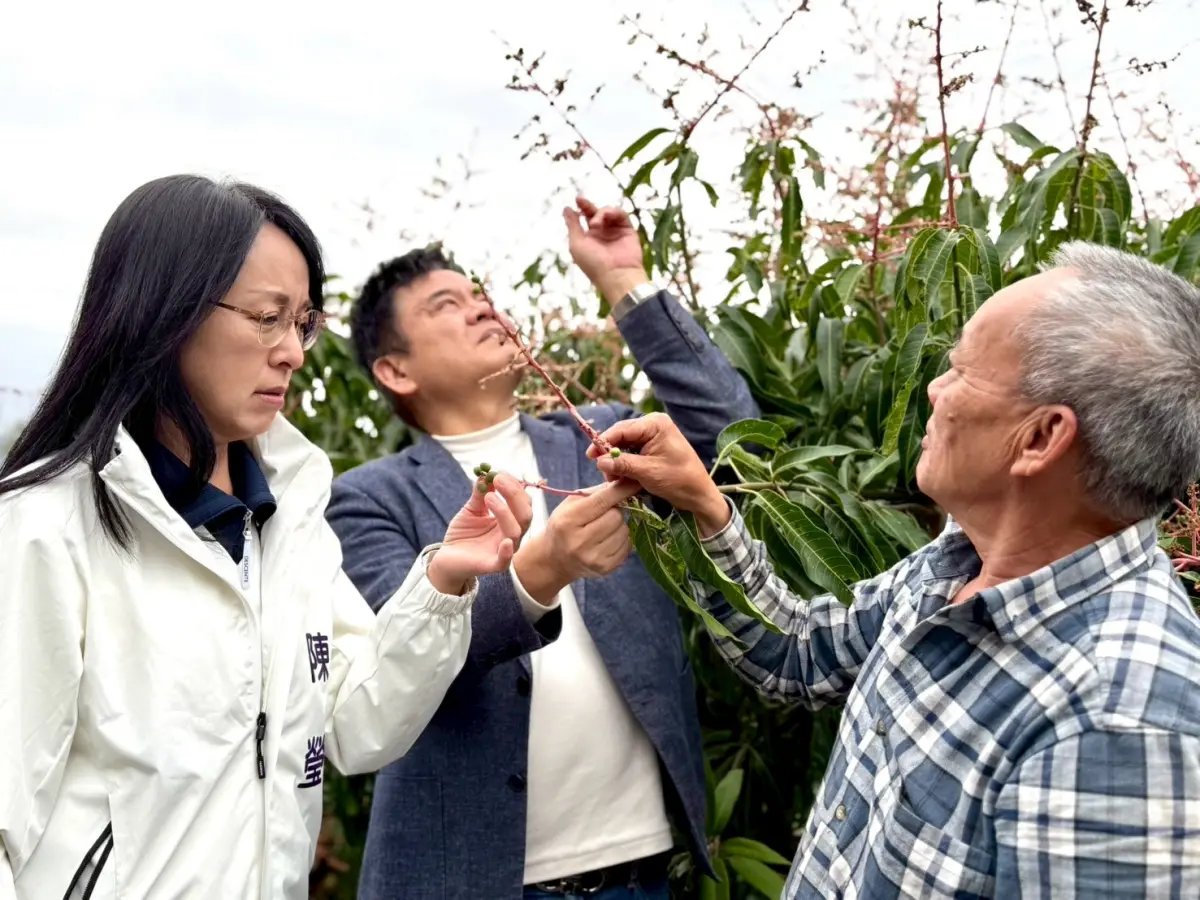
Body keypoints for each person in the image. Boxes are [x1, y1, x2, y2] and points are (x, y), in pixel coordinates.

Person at [588, 241, 1200, 898]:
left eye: (962, 370)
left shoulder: (1115, 723)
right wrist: (704, 506)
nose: (933, 388)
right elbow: (799, 654)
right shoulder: (958, 565)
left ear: (1041, 438)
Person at [0, 175, 533, 900]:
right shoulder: (48, 522)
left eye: (303, 323)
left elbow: (355, 724)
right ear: (165, 311)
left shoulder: (289, 515)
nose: (293, 352)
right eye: (266, 318)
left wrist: (444, 583)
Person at [325, 196, 760, 899]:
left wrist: (625, 283)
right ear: (395, 372)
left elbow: (734, 438)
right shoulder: (368, 498)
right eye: (444, 306)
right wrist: (541, 570)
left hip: (641, 871)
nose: (480, 308)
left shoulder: (602, 435)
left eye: (478, 295)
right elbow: (395, 673)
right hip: (472, 880)